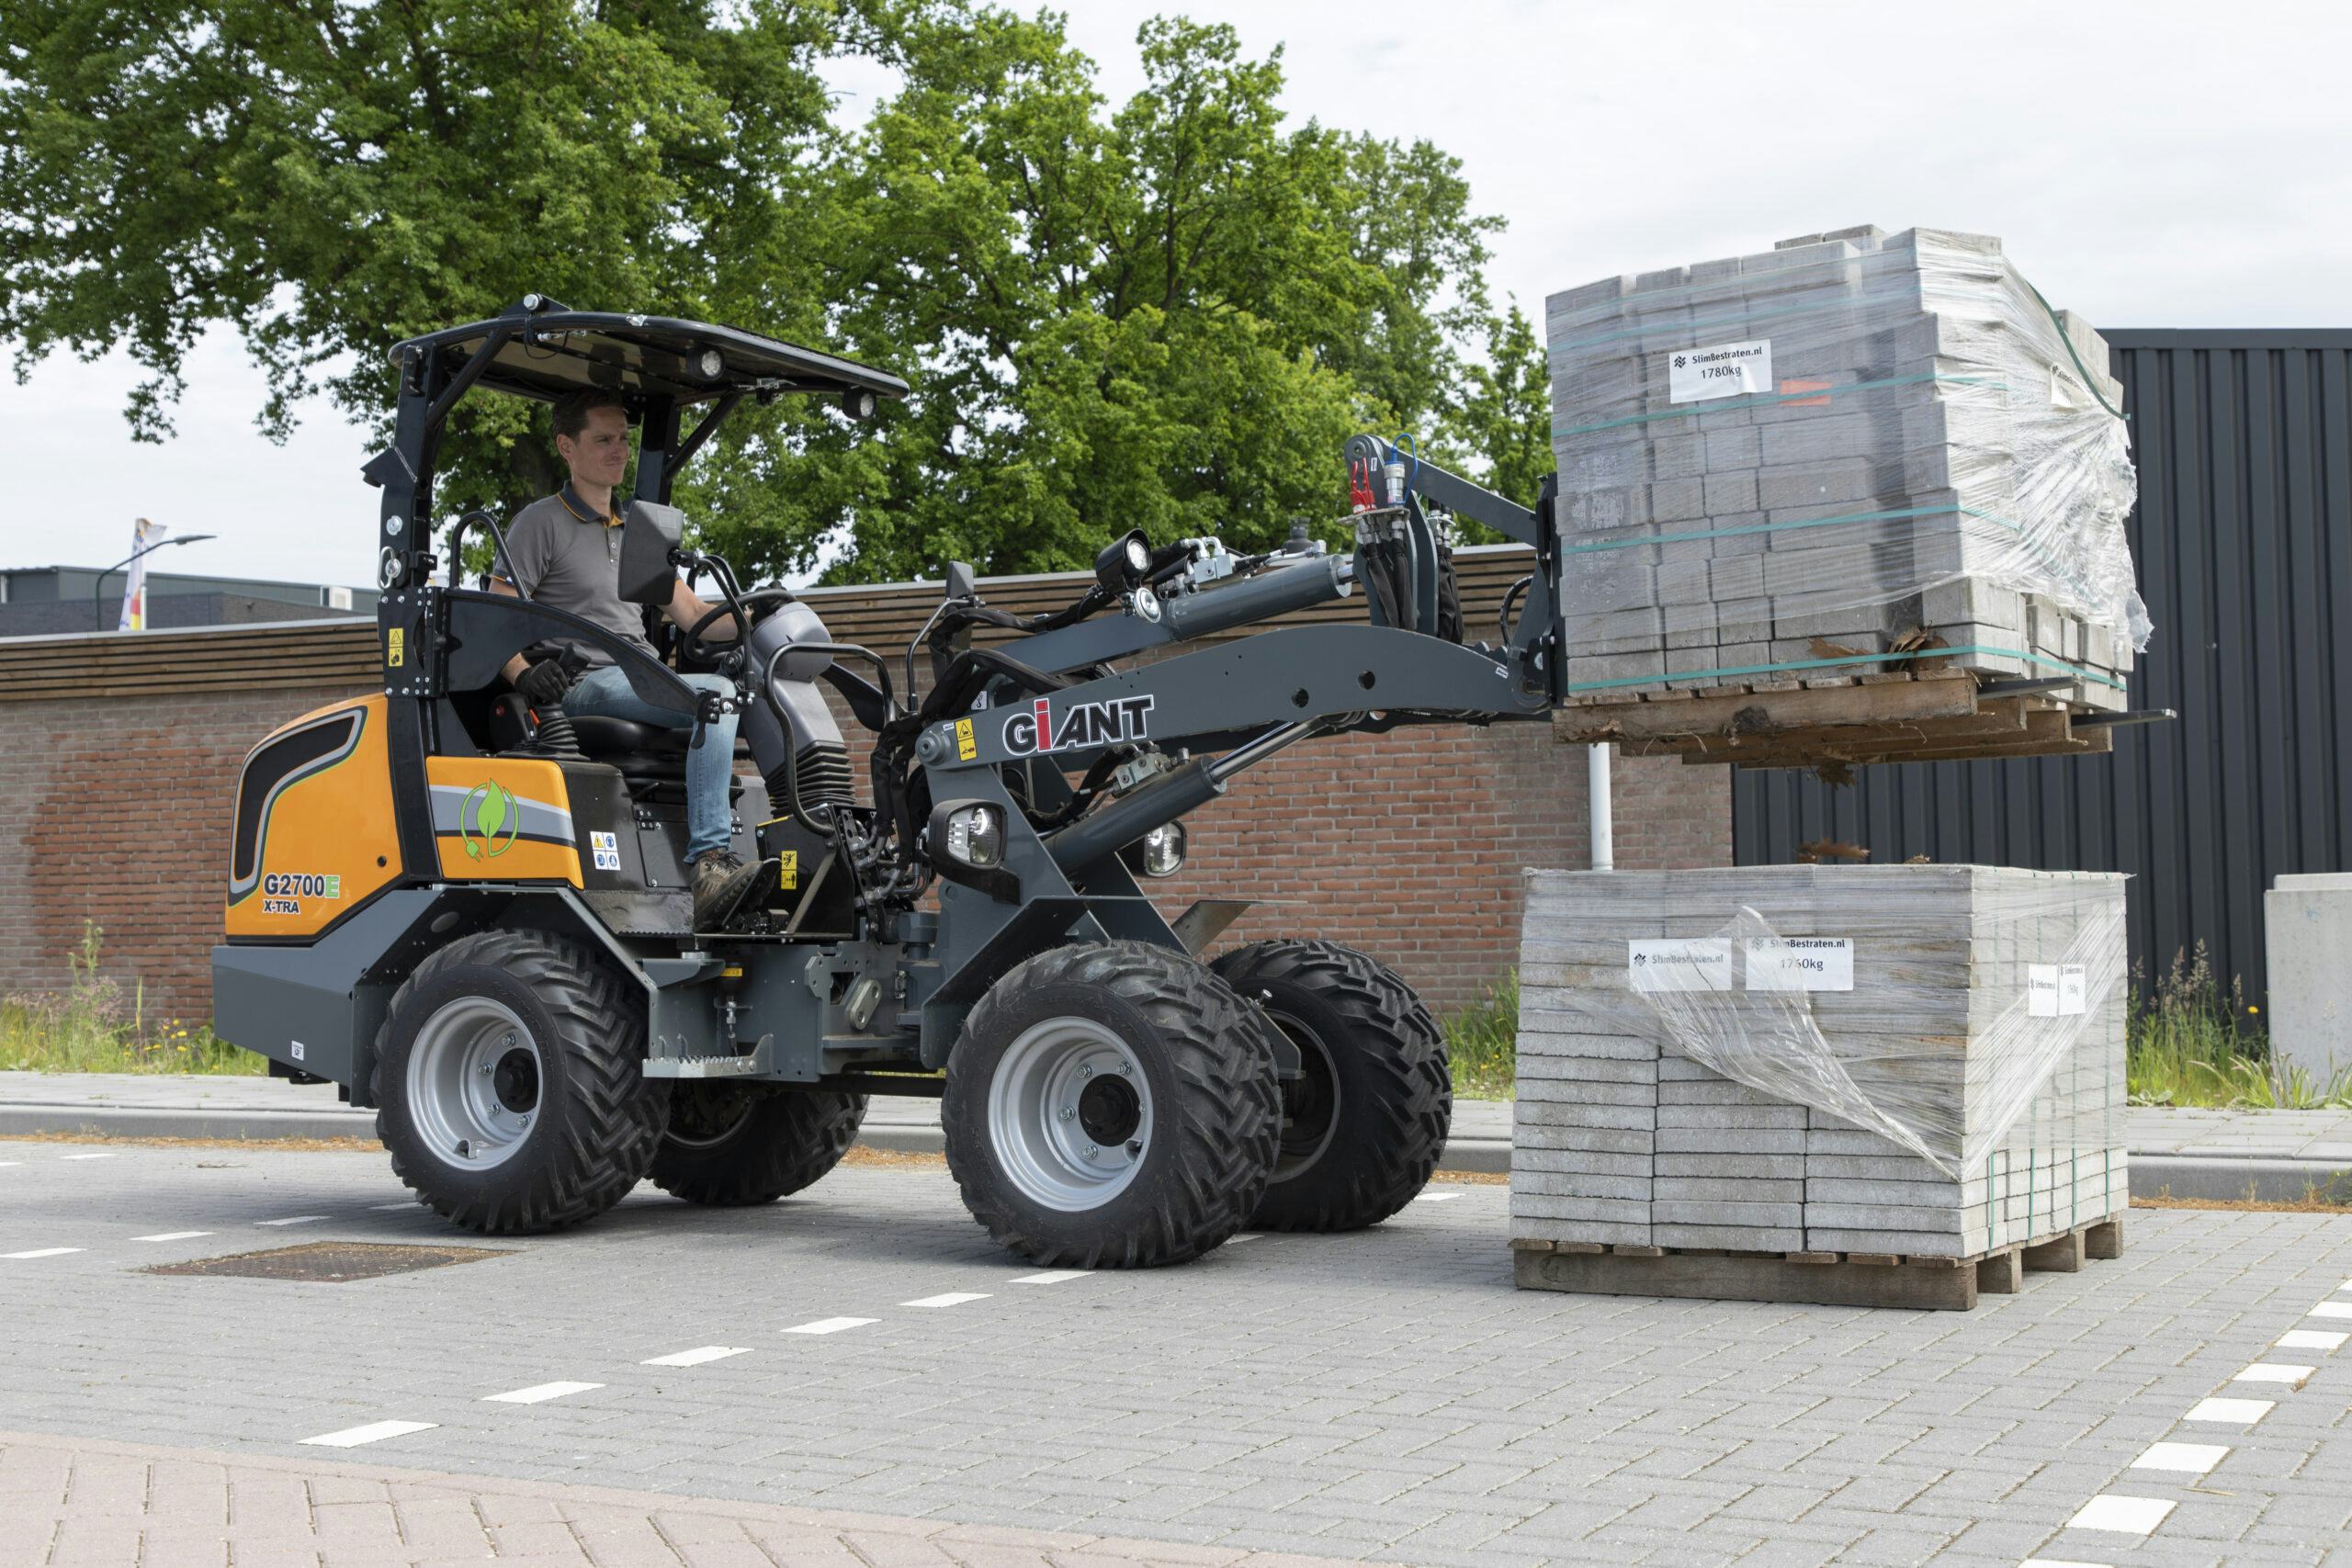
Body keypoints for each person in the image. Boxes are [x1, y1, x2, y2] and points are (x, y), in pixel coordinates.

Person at [491, 388, 775, 931]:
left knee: (755, 689)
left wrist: (754, 614)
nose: (618, 450)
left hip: (644, 675)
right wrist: (526, 675)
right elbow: (498, 612)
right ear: (566, 447)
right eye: (603, 440)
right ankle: (710, 865)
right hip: (586, 683)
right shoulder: (541, 523)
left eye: (623, 439)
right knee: (711, 699)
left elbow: (692, 614)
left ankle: (798, 841)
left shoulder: (638, 531)